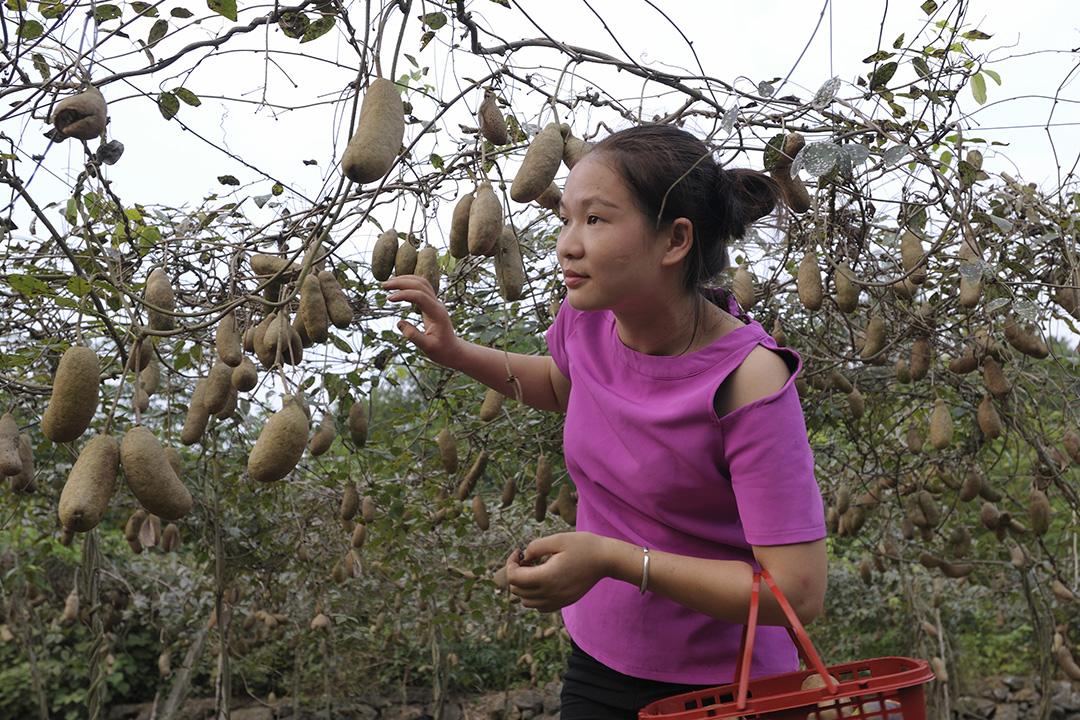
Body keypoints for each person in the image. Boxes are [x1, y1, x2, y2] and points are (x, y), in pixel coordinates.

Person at [384, 123, 827, 720]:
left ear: (674, 241)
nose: (567, 244)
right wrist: (456, 352)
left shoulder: (749, 381)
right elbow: (566, 387)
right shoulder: (586, 320)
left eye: (594, 220)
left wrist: (614, 559)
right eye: (567, 219)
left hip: (732, 687)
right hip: (601, 661)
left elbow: (796, 591)